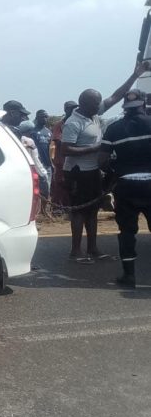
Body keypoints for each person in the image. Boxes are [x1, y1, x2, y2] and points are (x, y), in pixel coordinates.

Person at [61, 62, 151, 263]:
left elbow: (117, 96)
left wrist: (135, 74)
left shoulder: (93, 113)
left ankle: (93, 249)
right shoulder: (73, 122)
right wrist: (95, 148)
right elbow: (65, 149)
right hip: (77, 172)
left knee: (93, 210)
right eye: (96, 103)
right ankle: (76, 252)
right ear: (84, 104)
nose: (100, 106)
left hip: (92, 170)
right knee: (79, 211)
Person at [98, 89, 151, 287]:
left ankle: (129, 276)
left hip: (126, 185)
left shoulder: (114, 129)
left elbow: (102, 160)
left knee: (127, 232)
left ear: (124, 108)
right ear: (143, 105)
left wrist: (115, 170)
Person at [50, 101, 78, 208]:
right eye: (72, 108)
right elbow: (59, 141)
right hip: (61, 161)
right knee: (60, 184)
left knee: (71, 185)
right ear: (66, 110)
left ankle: (69, 206)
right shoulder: (60, 125)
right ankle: (58, 208)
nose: (74, 111)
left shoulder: (76, 124)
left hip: (73, 161)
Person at [32, 109, 52, 195]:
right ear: (37, 118)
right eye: (42, 117)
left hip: (48, 165)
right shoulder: (33, 132)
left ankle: (44, 208)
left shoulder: (49, 132)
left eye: (46, 117)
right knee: (38, 190)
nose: (45, 119)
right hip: (38, 164)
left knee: (47, 189)